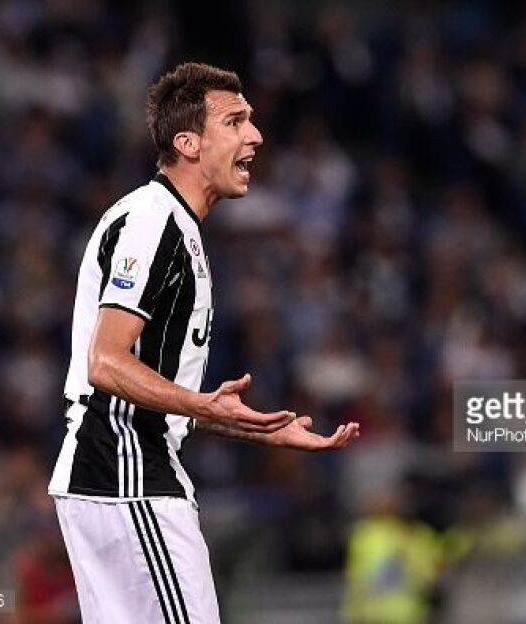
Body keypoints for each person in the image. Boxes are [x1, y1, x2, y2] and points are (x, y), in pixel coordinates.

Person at [48, 62, 360, 624]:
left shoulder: (176, 226)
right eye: (235, 122)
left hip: (122, 473)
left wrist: (255, 427)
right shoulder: (153, 221)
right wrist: (200, 404)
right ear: (187, 143)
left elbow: (147, 389)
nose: (255, 136)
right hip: (126, 472)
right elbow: (105, 362)